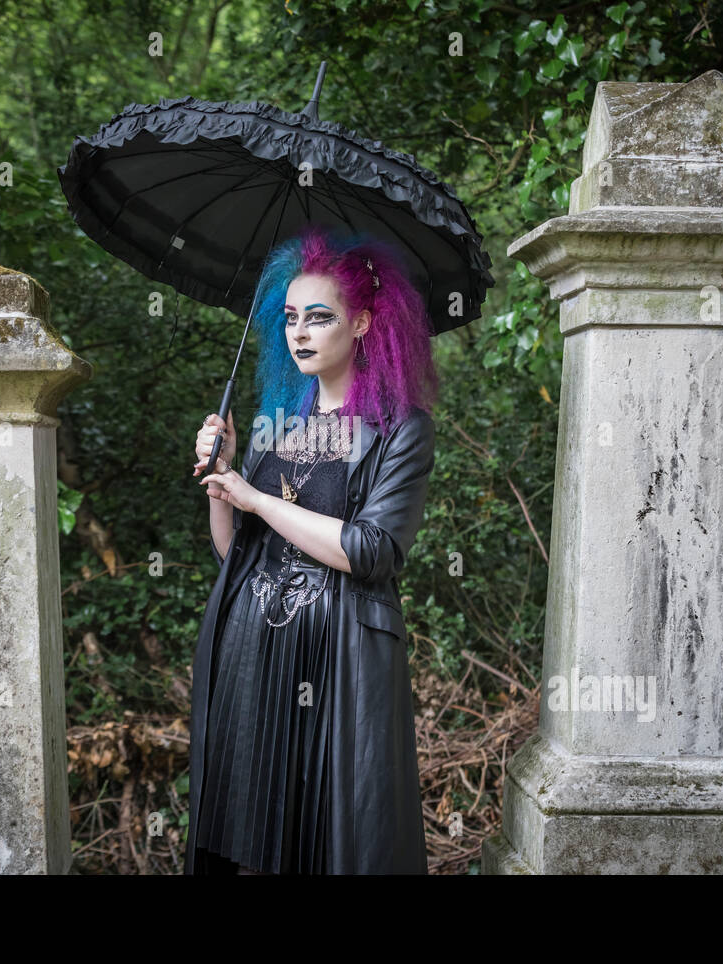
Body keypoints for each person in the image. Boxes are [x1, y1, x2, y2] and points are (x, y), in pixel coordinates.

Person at [185, 223, 438, 874]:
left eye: (319, 317)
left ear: (361, 324)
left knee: (324, 841)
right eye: (292, 317)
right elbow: (235, 557)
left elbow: (372, 550)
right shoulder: (285, 426)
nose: (298, 332)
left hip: (336, 658)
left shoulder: (398, 429)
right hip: (254, 652)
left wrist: (259, 497)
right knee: (251, 839)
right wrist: (222, 480)